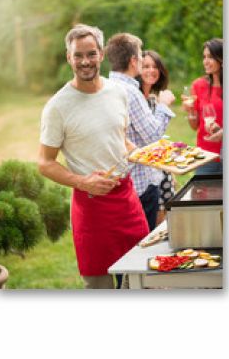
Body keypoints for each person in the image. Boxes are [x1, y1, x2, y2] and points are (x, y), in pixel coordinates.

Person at [38, 24, 149, 289]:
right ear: (69, 57)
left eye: (91, 54)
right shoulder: (57, 107)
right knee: (100, 286)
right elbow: (44, 162)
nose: (85, 61)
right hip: (91, 205)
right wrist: (82, 181)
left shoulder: (118, 92)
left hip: (126, 200)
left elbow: (119, 139)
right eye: (78, 55)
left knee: (144, 277)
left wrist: (149, 156)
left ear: (101, 54)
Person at [106, 33, 175, 231]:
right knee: (144, 241)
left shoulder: (106, 86)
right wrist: (163, 105)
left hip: (118, 180)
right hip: (141, 183)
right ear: (133, 60)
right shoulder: (131, 93)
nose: (144, 61)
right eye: (141, 57)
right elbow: (153, 136)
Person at [137, 50, 176, 224]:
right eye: (145, 66)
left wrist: (168, 168)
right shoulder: (135, 100)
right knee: (150, 226)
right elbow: (150, 137)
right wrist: (164, 105)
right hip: (144, 172)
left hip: (160, 166)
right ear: (137, 68)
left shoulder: (152, 100)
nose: (151, 70)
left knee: (165, 222)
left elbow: (158, 137)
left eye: (155, 67)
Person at [181, 38, 223, 175]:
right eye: (204, 57)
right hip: (206, 156)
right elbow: (195, 126)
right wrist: (191, 111)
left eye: (210, 57)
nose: (205, 61)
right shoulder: (198, 85)